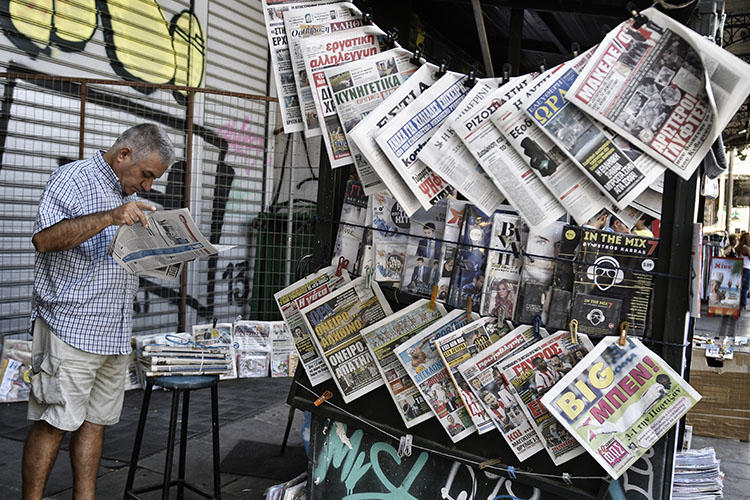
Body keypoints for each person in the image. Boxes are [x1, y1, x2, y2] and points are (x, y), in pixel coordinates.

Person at [23, 123, 175, 500]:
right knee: (53, 423)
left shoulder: (131, 196)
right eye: (146, 175)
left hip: (113, 329)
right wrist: (110, 217)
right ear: (123, 155)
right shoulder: (72, 179)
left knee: (95, 424)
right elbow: (44, 240)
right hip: (69, 327)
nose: (148, 186)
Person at [740, 232, 750, 310]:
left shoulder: (740, 247)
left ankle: (741, 303)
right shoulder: (747, 248)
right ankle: (743, 304)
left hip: (741, 267)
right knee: (745, 287)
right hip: (747, 268)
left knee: (741, 286)